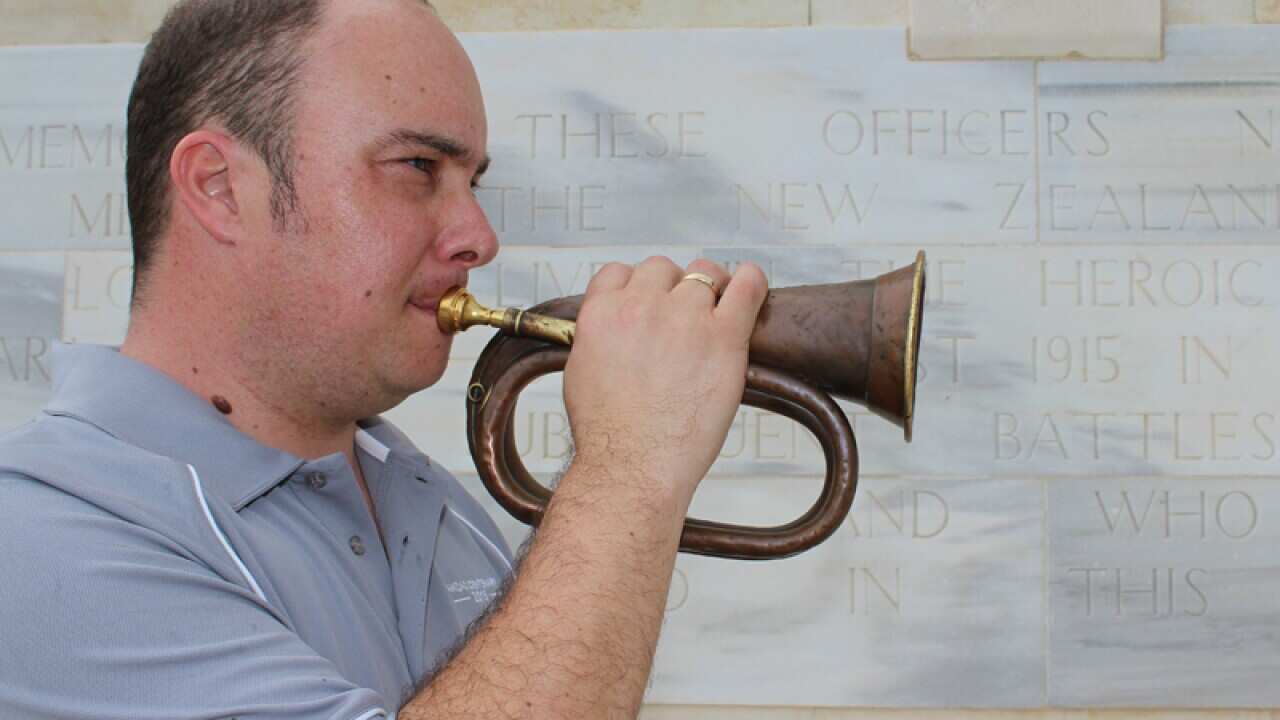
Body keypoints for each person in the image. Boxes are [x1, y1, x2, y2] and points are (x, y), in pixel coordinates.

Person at [0, 0, 768, 718]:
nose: (479, 237)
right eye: (416, 169)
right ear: (221, 188)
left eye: (473, 181)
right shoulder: (38, 537)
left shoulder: (435, 506)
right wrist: (629, 466)